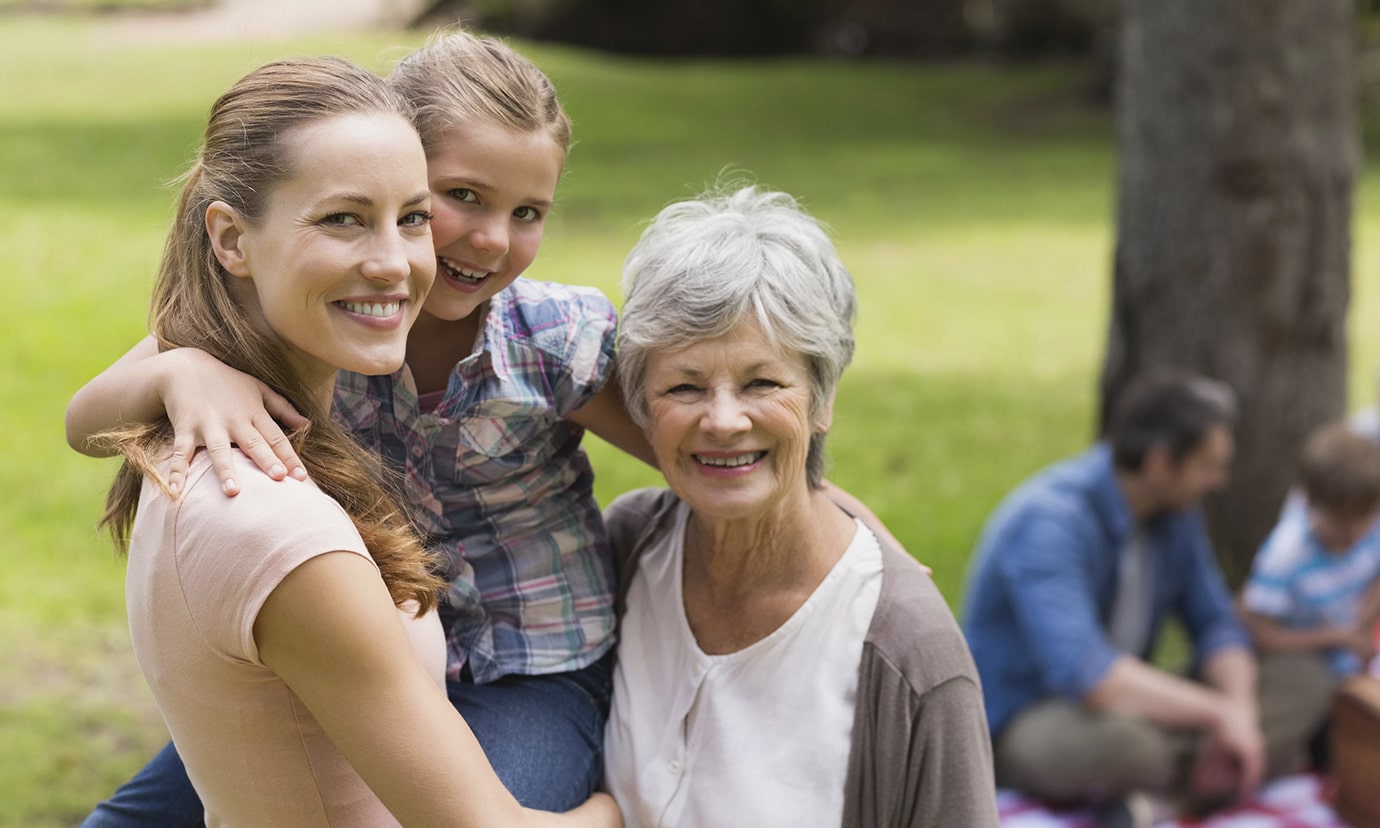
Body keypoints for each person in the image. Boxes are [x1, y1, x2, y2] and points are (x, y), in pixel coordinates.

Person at [66, 29, 642, 824]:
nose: (490, 238)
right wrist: (177, 370)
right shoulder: (305, 332)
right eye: (461, 197)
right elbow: (84, 421)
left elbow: (704, 447)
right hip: (354, 642)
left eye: (528, 212)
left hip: (528, 661)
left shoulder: (548, 337)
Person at [600, 185, 998, 828]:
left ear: (822, 398)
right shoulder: (624, 550)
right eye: (685, 385)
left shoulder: (906, 648)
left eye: (762, 382)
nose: (724, 420)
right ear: (644, 410)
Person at [961, 371, 1325, 823]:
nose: (1220, 481)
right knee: (1130, 746)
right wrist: (1217, 714)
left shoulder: (1176, 516)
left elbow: (1216, 624)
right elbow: (1090, 676)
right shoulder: (1049, 521)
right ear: (1158, 463)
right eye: (1208, 466)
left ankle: (1159, 794)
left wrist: (1241, 712)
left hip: (1132, 702)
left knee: (1305, 677)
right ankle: (1205, 775)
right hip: (1034, 716)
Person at [1241, 421, 1380, 703]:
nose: (1354, 533)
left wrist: (1362, 622)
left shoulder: (1371, 528)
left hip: (1354, 655)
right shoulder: (1286, 554)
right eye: (1342, 522)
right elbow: (1260, 633)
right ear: (1309, 503)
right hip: (1305, 665)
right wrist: (1336, 637)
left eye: (1363, 519)